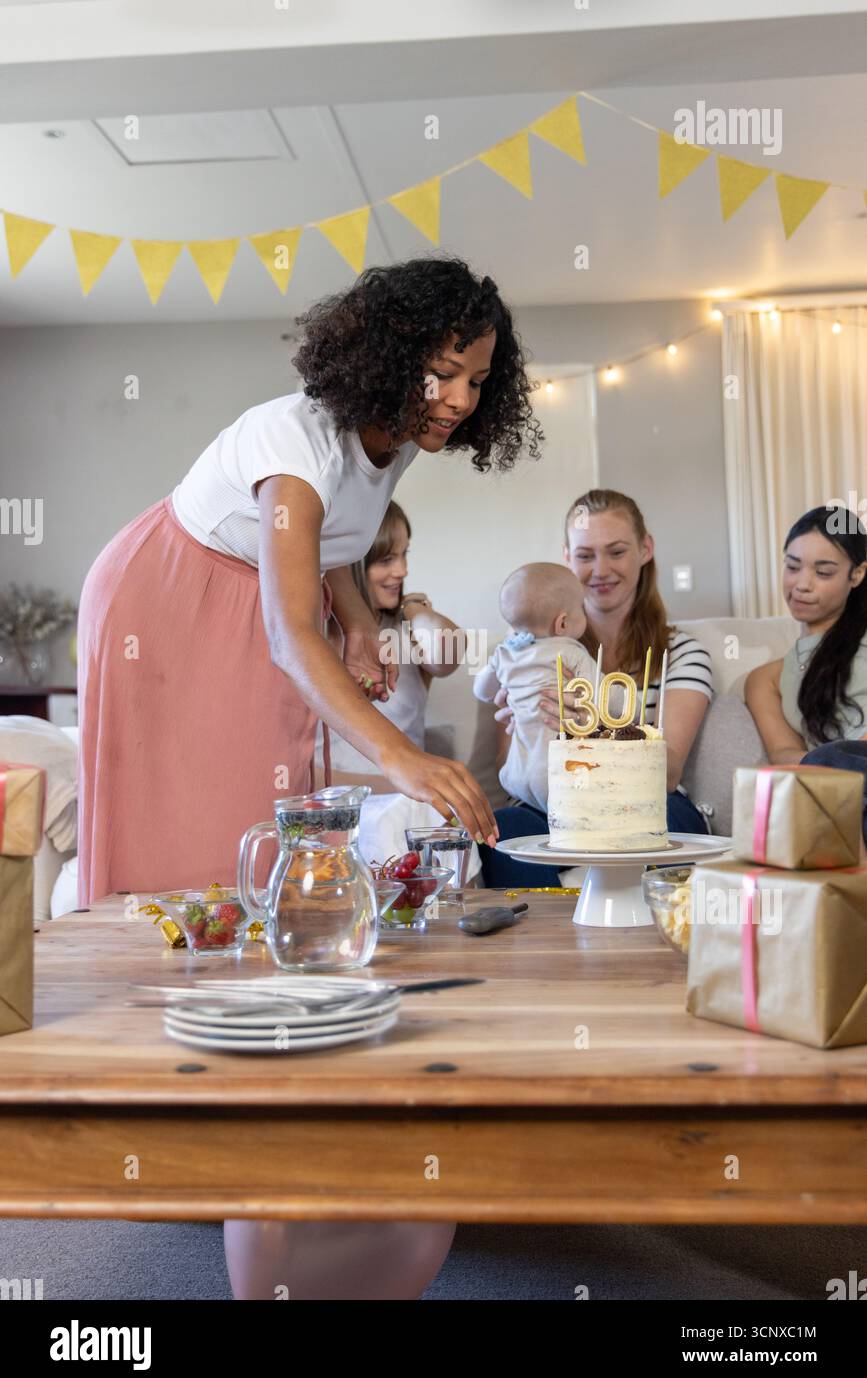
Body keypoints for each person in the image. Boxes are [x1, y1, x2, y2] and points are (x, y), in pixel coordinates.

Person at [77, 256, 544, 906]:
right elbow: (292, 633)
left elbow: (331, 542)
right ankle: (157, 981)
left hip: (250, 594)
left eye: (476, 380)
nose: (461, 400)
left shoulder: (405, 432)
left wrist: (355, 625)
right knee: (184, 805)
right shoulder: (296, 449)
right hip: (165, 596)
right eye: (442, 375)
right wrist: (395, 755)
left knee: (261, 799)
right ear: (387, 361)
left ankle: (251, 981)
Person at [482, 489, 713, 887]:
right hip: (549, 802)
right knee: (504, 827)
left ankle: (647, 935)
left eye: (617, 551)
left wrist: (597, 729)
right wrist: (521, 719)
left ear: (645, 549)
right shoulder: (525, 652)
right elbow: (513, 768)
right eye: (586, 555)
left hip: (641, 799)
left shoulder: (682, 653)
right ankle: (552, 944)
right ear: (568, 558)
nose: (600, 569)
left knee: (670, 817)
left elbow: (670, 772)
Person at [318, 500, 466, 791]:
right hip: (334, 806)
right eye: (386, 560)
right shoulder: (310, 641)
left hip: (403, 810)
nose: (402, 571)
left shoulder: (409, 634)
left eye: (404, 555)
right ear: (350, 564)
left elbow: (448, 649)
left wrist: (412, 608)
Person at [745, 505, 867, 840]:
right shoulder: (765, 679)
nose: (802, 585)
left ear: (856, 575)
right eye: (793, 567)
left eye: (823, 572)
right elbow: (784, 755)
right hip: (836, 787)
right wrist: (835, 766)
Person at [473, 562, 595, 814]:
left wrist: (502, 675)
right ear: (562, 623)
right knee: (571, 816)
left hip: (515, 770)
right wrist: (632, 703)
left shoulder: (506, 652)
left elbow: (482, 691)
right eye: (581, 609)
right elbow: (607, 694)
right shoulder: (570, 652)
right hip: (553, 771)